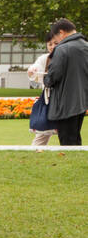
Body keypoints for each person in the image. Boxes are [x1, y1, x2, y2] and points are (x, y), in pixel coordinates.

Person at [44, 17, 88, 147]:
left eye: (56, 38)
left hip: (65, 101)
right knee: (75, 136)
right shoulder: (85, 46)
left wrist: (46, 79)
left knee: (66, 139)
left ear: (61, 32)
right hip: (81, 100)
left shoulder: (63, 49)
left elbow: (53, 75)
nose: (56, 42)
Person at [28, 38, 58, 147]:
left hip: (63, 100)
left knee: (66, 131)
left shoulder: (66, 57)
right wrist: (32, 71)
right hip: (48, 99)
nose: (52, 46)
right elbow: (35, 68)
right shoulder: (44, 58)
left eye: (55, 43)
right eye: (50, 44)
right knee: (43, 131)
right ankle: (34, 153)